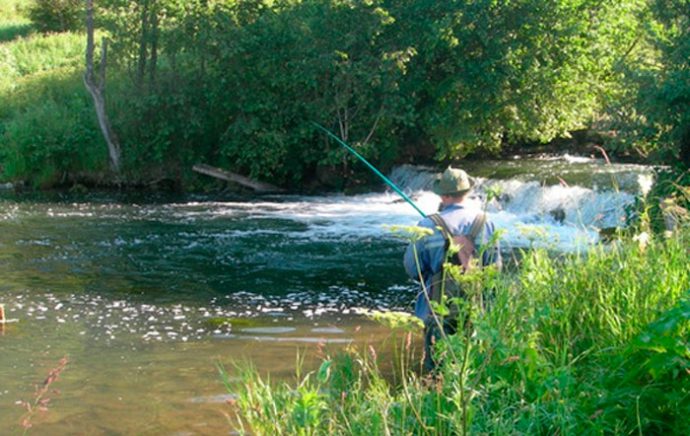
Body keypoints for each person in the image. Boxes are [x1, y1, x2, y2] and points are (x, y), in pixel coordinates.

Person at [403, 166, 501, 372]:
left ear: (444, 195)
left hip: (436, 310)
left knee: (437, 367)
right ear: (467, 192)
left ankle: (435, 397)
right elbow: (495, 269)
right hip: (476, 309)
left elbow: (413, 269)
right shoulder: (486, 223)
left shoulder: (426, 224)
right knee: (471, 366)